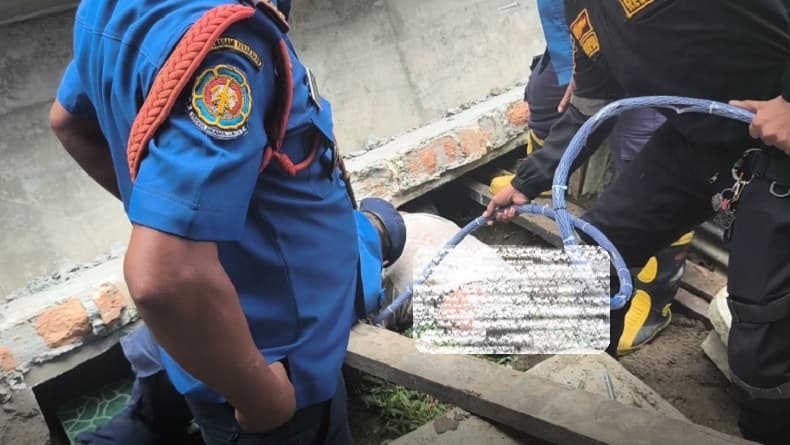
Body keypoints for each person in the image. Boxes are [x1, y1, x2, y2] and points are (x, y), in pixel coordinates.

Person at [49, 0, 406, 443]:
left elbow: (68, 121)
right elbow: (165, 275)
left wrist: (173, 214)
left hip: (232, 340)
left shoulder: (108, 7)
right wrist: (261, 397)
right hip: (275, 360)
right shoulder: (227, 47)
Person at [484, 1, 790, 443]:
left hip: (778, 138)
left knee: (762, 342)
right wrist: (527, 181)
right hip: (700, 141)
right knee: (596, 252)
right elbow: (592, 102)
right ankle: (595, 396)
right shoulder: (581, 10)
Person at [490, 0, 689, 355]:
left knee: (643, 151)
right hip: (588, 32)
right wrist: (527, 182)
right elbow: (589, 102)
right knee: (547, 100)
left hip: (661, 55)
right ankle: (552, 183)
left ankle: (656, 293)